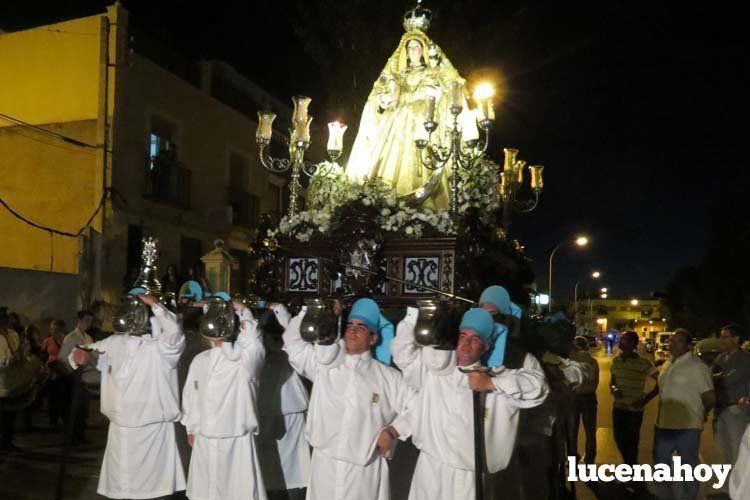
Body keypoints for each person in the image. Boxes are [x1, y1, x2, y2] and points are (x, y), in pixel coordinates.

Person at [392, 307, 549, 500]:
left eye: (475, 339)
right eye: (462, 336)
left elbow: (538, 388)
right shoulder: (432, 372)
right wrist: (415, 313)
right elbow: (402, 353)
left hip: (469, 478)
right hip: (430, 471)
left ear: (485, 347)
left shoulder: (495, 378)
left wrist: (491, 383)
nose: (466, 344)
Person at [276, 298, 416, 500]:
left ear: (373, 338)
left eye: (361, 327)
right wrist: (313, 310)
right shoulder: (325, 365)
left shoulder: (388, 377)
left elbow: (418, 407)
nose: (352, 330)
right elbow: (293, 343)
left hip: (364, 470)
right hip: (325, 466)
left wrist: (393, 431)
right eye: (350, 325)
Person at [69, 294, 186, 499]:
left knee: (152, 489)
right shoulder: (114, 342)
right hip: (120, 429)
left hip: (152, 431)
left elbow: (175, 332)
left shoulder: (161, 348)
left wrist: (155, 305)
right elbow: (87, 351)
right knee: (122, 488)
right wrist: (79, 356)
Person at [344, 24, 467, 211]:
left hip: (423, 121)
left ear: (424, 50)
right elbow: (379, 94)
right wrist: (385, 100)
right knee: (387, 161)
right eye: (410, 47)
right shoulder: (397, 75)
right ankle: (387, 199)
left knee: (427, 158)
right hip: (397, 123)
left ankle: (428, 203)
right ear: (405, 51)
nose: (414, 51)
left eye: (417, 47)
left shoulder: (431, 72)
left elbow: (448, 89)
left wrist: (434, 93)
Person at [182, 297, 268, 500]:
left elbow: (254, 344)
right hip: (203, 438)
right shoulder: (199, 360)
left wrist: (243, 311)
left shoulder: (244, 361)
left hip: (235, 439)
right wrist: (191, 428)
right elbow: (191, 397)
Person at [644, 329, 715, 500]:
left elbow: (710, 397)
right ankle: (665, 495)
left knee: (688, 466)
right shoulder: (668, 363)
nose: (671, 344)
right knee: (661, 465)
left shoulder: (697, 367)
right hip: (663, 424)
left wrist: (701, 415)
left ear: (689, 346)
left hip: (687, 426)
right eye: (671, 341)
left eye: (678, 341)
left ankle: (689, 496)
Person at [257, 309, 311, 500]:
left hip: (293, 418)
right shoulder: (258, 356)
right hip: (264, 417)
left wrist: (280, 311)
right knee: (268, 476)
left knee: (295, 478)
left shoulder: (292, 353)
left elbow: (293, 337)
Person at [609, 330, 658, 465]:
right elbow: (612, 381)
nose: (620, 341)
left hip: (634, 410)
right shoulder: (616, 361)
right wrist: (614, 389)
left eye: (624, 339)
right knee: (618, 439)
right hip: (619, 407)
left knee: (631, 442)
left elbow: (661, 381)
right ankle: (630, 467)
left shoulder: (644, 363)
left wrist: (646, 399)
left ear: (633, 344)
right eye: (621, 339)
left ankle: (631, 471)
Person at [712, 324, 750, 471]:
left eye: (725, 337)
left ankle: (736, 492)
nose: (721, 340)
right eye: (721, 337)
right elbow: (711, 378)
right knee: (723, 451)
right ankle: (727, 489)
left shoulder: (745, 358)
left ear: (736, 339)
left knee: (736, 451)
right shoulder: (721, 357)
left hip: (736, 409)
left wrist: (714, 377)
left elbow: (729, 380)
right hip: (720, 409)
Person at [59, 310, 97, 445]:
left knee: (83, 408)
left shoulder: (88, 338)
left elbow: (93, 357)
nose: (88, 323)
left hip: (85, 376)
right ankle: (72, 437)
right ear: (79, 320)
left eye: (90, 321)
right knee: (72, 408)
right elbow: (62, 358)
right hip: (74, 376)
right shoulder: (70, 338)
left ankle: (80, 435)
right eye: (86, 320)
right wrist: (73, 368)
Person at [568, 336, 599, 465]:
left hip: (573, 398)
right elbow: (595, 382)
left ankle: (572, 459)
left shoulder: (570, 361)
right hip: (589, 397)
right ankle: (589, 460)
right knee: (590, 432)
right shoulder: (593, 361)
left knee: (572, 432)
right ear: (586, 346)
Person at [40, 319, 68, 428]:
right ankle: (53, 421)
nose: (52, 330)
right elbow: (42, 354)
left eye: (54, 328)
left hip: (64, 371)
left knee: (64, 396)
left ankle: (65, 419)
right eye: (51, 328)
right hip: (52, 372)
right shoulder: (47, 341)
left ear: (60, 329)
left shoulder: (66, 340)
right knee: (53, 396)